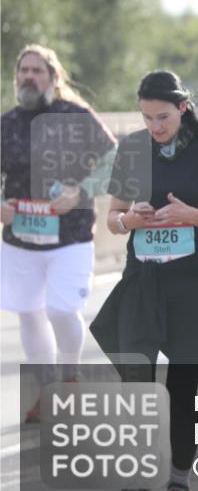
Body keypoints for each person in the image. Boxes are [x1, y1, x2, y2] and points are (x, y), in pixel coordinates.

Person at [90, 71, 198, 491]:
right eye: (147, 117)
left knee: (181, 390)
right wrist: (129, 221)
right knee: (137, 381)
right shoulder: (134, 150)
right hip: (143, 281)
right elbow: (112, 219)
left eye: (163, 117)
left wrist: (190, 214)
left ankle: (179, 484)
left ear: (183, 109)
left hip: (193, 282)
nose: (156, 126)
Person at [1, 44, 117, 422]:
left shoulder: (76, 116)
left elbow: (113, 156)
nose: (29, 76)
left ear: (53, 78)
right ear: (16, 78)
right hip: (20, 238)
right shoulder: (8, 123)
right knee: (29, 314)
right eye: (24, 70)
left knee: (62, 309)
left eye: (37, 70)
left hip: (71, 236)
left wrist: (81, 191)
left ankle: (70, 377)